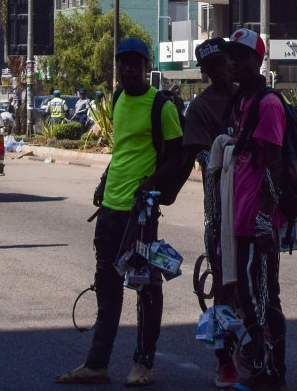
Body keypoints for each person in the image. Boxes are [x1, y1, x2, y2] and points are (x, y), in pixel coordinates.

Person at [56, 37, 182, 388]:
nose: (128, 68)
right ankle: (97, 364)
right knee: (107, 286)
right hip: (110, 209)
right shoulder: (119, 98)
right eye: (122, 62)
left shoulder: (161, 107)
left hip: (140, 215)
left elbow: (177, 156)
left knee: (145, 287)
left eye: (135, 62)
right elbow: (123, 150)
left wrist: (152, 185)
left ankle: (143, 364)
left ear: (146, 66)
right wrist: (105, 180)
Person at [160, 37, 239, 388]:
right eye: (212, 67)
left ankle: (266, 355)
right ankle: (225, 361)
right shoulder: (202, 108)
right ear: (205, 72)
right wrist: (160, 190)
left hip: (253, 210)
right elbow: (188, 158)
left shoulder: (251, 96)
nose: (220, 71)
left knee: (262, 285)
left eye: (224, 63)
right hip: (219, 213)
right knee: (223, 285)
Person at [224, 28, 288, 391]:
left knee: (264, 296)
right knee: (248, 296)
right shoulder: (241, 102)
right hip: (241, 216)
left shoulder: (266, 104)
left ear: (258, 60)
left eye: (241, 57)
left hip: (258, 221)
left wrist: (265, 218)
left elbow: (274, 165)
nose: (233, 63)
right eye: (231, 56)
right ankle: (259, 366)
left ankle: (273, 371)